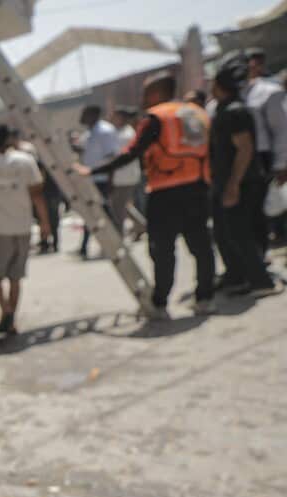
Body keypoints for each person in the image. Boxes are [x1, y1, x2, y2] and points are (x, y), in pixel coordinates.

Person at [82, 72, 215, 319]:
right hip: (198, 187)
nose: (143, 99)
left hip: (166, 191)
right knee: (201, 245)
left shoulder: (156, 117)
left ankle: (160, 302)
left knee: (162, 250)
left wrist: (92, 170)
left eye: (146, 93)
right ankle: (205, 298)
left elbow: (131, 152)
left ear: (156, 93)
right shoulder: (197, 113)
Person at [209, 54, 284, 300]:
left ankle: (260, 281)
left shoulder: (235, 110)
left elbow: (245, 149)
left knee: (240, 232)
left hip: (243, 181)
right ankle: (241, 277)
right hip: (237, 180)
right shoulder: (226, 108)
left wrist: (233, 185)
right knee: (232, 232)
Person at [0, 123, 50, 335]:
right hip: (23, 227)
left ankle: (5, 310)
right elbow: (37, 195)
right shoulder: (25, 160)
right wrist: (45, 223)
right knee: (16, 277)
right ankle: (11, 317)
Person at [243, 48, 287, 251]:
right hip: (249, 156)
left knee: (276, 199)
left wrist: (280, 163)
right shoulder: (240, 91)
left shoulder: (270, 90)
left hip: (267, 156)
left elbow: (280, 129)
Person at [77, 105, 123, 258]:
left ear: (94, 114)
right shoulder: (90, 133)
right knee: (91, 212)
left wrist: (111, 180)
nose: (81, 116)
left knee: (104, 214)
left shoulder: (105, 131)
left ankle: (117, 243)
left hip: (102, 179)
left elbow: (112, 158)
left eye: (85, 113)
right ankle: (85, 246)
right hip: (90, 179)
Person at [109, 108, 143, 236]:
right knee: (122, 205)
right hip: (123, 176)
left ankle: (119, 235)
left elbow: (116, 155)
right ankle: (141, 225)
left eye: (115, 116)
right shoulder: (121, 132)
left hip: (124, 177)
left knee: (118, 208)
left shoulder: (125, 134)